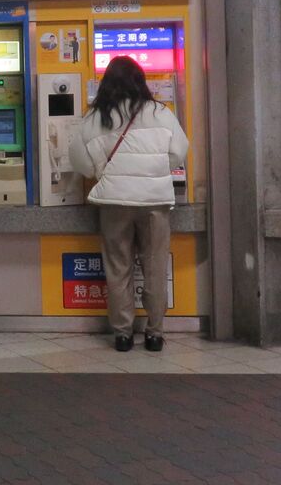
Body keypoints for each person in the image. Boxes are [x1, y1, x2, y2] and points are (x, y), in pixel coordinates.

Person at [70, 56, 189, 353]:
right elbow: (179, 152)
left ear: (107, 83)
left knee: (118, 267)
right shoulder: (161, 113)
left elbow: (79, 161)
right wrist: (155, 171)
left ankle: (123, 334)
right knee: (155, 266)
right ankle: (154, 332)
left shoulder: (95, 118)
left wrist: (101, 171)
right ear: (140, 81)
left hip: (114, 203)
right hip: (154, 202)